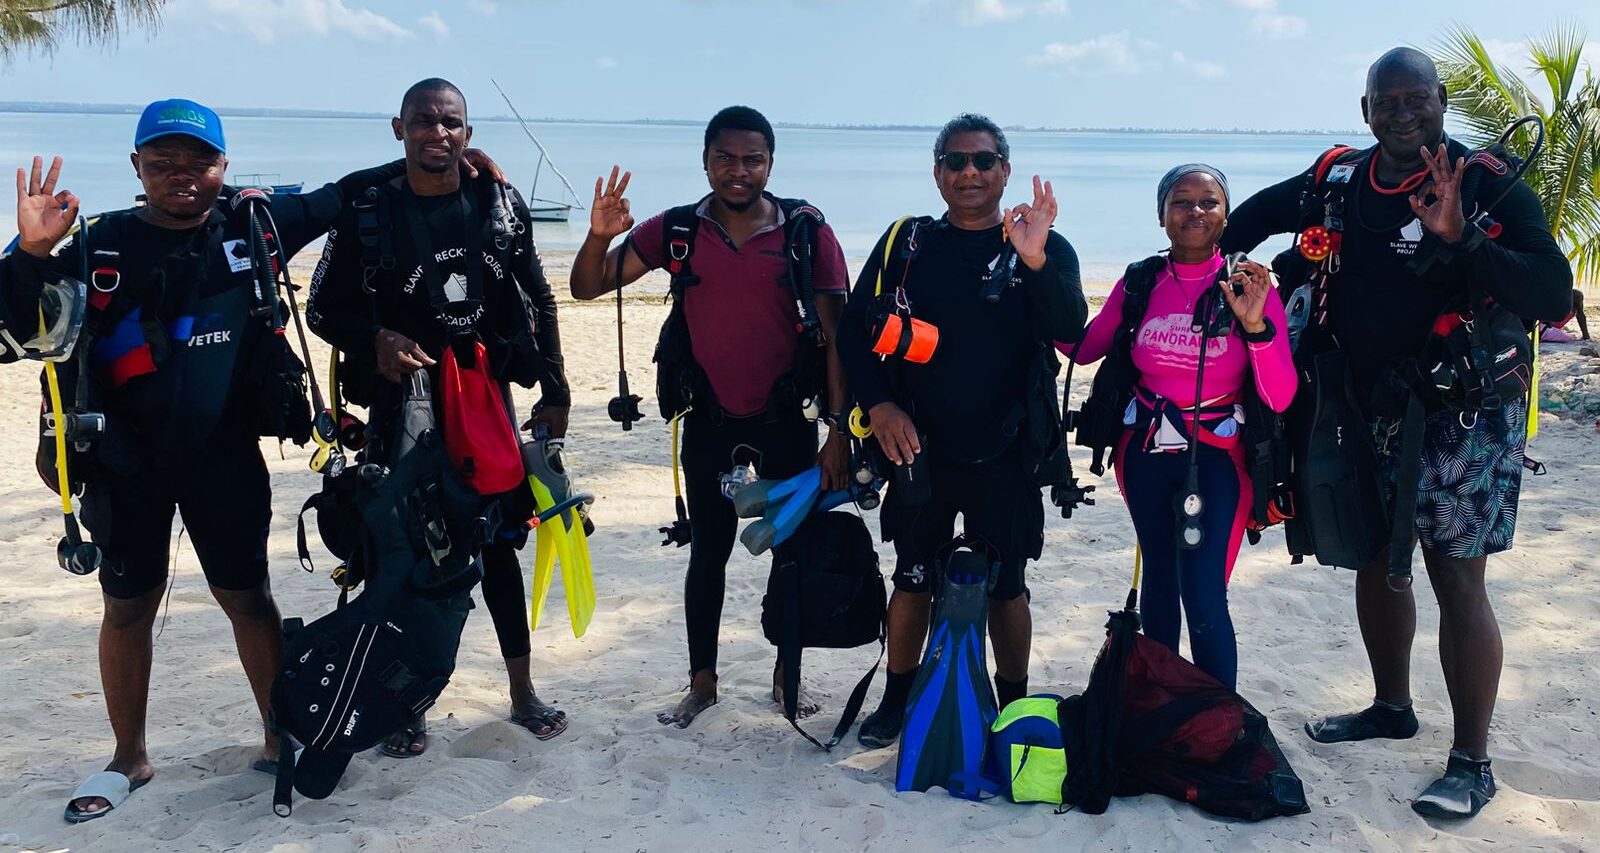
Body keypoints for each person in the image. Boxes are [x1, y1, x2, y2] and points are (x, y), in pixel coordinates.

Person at [0, 98, 508, 822]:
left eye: (199, 161)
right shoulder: (94, 244)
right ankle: (128, 755)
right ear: (136, 168)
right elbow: (15, 324)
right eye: (164, 162)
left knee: (247, 599)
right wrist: (28, 252)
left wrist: (441, 158)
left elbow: (347, 193)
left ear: (223, 166)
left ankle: (279, 737)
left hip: (224, 459)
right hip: (125, 463)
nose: (184, 175)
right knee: (127, 608)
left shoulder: (254, 224)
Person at [1220, 48, 1574, 818]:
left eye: (1419, 101)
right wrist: (1200, 266)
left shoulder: (1483, 179)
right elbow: (1248, 218)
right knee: (1375, 559)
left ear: (1443, 101)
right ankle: (1391, 706)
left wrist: (1464, 239)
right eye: (1390, 103)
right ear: (1366, 110)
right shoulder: (1340, 180)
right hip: (1365, 410)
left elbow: (1553, 290)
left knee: (1457, 579)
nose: (1405, 114)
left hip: (1463, 417)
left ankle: (1472, 761)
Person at [306, 78, 572, 756]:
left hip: (484, 398)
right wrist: (376, 340)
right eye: (423, 121)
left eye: (451, 122)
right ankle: (408, 701)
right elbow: (320, 309)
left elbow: (538, 295)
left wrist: (556, 383)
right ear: (398, 128)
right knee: (402, 554)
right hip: (401, 404)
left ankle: (521, 691)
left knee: (501, 543)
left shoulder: (498, 201)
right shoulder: (369, 211)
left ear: (468, 134)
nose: (438, 133)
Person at [569, 106, 851, 728]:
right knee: (709, 555)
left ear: (771, 164)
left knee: (791, 554)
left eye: (753, 159)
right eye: (725, 158)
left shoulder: (807, 232)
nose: (738, 171)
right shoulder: (677, 231)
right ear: (705, 162)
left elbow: (837, 339)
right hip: (710, 422)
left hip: (786, 421)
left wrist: (837, 430)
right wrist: (598, 236)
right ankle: (702, 682)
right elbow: (587, 286)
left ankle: (787, 677)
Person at [837, 113, 1086, 747]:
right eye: (954, 162)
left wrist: (1032, 259)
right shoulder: (907, 243)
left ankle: (1013, 703)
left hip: (1007, 451)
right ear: (937, 172)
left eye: (982, 161)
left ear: (1005, 170)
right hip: (918, 447)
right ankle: (897, 696)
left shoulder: (1043, 244)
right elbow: (854, 334)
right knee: (912, 576)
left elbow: (1072, 331)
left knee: (1008, 588)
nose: (968, 173)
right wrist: (881, 408)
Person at [1065, 164, 1295, 689]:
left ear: (1225, 215)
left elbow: (1280, 393)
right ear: (1161, 216)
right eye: (1181, 202)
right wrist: (1038, 269)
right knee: (1161, 588)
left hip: (1220, 457)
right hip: (1143, 451)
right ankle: (1161, 718)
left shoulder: (1251, 286)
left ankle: (1220, 726)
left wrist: (1255, 326)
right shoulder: (1142, 280)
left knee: (1205, 592)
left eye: (1209, 202)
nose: (1195, 211)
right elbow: (1083, 349)